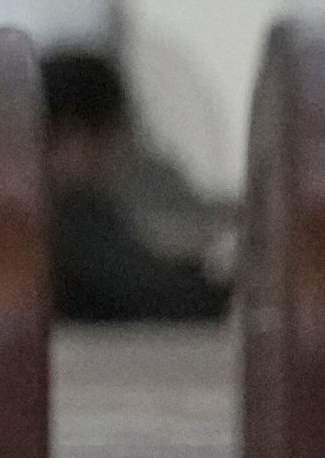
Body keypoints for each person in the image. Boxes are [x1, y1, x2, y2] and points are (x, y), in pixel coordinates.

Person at [39, 46, 228, 324]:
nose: (123, 149)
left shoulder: (48, 216)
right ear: (75, 136)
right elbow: (152, 294)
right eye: (116, 131)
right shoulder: (71, 217)